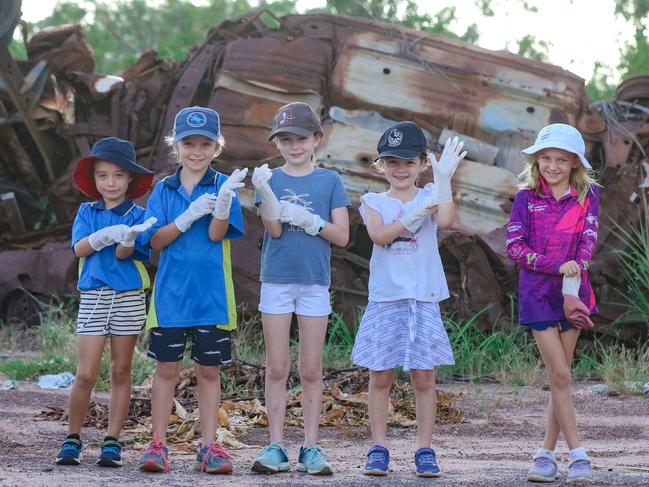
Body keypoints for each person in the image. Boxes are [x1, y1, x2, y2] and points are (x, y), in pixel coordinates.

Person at [137, 106, 246, 474]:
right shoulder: (163, 189)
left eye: (205, 144)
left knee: (209, 372)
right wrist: (187, 216)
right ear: (176, 145)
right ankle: (157, 444)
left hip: (212, 298)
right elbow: (156, 240)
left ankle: (210, 445)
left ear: (217, 147)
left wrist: (223, 203)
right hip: (170, 297)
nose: (196, 151)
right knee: (166, 369)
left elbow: (217, 235)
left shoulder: (223, 185)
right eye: (188, 143)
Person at [351, 121, 463, 477]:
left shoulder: (430, 194)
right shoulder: (374, 201)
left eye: (409, 162)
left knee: (424, 377)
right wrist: (414, 214)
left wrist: (443, 182)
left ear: (422, 164)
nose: (401, 170)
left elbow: (446, 218)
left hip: (423, 297)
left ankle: (425, 450)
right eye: (392, 162)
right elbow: (379, 235)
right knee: (380, 376)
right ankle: (379, 447)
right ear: (381, 165)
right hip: (387, 299)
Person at [250, 102, 350, 475]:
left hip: (314, 283)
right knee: (277, 366)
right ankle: (275, 445)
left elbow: (341, 236)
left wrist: (309, 219)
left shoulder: (330, 181)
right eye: (286, 139)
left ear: (317, 140)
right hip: (276, 280)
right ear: (277, 143)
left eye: (301, 138)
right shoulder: (269, 179)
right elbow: (274, 230)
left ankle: (311, 446)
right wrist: (267, 197)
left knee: (311, 368)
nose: (294, 146)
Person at [506, 123, 599, 484]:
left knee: (560, 378)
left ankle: (545, 455)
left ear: (575, 162)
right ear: (537, 160)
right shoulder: (526, 199)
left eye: (561, 159)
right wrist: (554, 265)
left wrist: (573, 272)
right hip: (537, 296)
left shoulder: (586, 196)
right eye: (546, 158)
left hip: (573, 294)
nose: (553, 165)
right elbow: (515, 247)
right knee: (560, 374)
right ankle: (579, 456)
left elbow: (587, 240)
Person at [56, 137, 155, 467]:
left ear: (129, 178)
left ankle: (112, 441)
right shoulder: (87, 211)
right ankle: (72, 438)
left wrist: (126, 239)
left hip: (128, 298)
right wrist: (104, 236)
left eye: (117, 175)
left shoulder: (140, 215)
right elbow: (79, 248)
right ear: (94, 180)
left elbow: (131, 253)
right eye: (102, 176)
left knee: (120, 370)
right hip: (95, 297)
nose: (110, 183)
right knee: (85, 374)